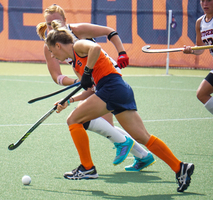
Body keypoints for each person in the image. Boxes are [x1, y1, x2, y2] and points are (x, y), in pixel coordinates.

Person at [46, 20, 194, 192]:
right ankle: (179, 167)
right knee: (142, 137)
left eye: (51, 51)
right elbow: (90, 90)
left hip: (112, 87)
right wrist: (68, 101)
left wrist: (87, 72)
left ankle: (87, 168)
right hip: (118, 90)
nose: (51, 55)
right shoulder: (74, 64)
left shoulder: (78, 45)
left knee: (73, 119)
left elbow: (96, 49)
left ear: (58, 45)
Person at [36, 4, 155, 171]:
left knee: (85, 119)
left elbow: (109, 31)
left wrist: (122, 52)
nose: (51, 25)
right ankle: (142, 155)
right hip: (89, 79)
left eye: (56, 21)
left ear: (64, 20)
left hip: (106, 74)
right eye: (48, 23)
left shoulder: (76, 30)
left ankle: (123, 147)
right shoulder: (49, 45)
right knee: (103, 123)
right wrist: (78, 81)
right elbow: (57, 76)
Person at [183, 0, 213, 115]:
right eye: (203, 1)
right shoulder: (199, 22)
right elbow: (200, 49)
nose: (205, 4)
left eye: (209, 0)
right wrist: (191, 51)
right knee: (202, 93)